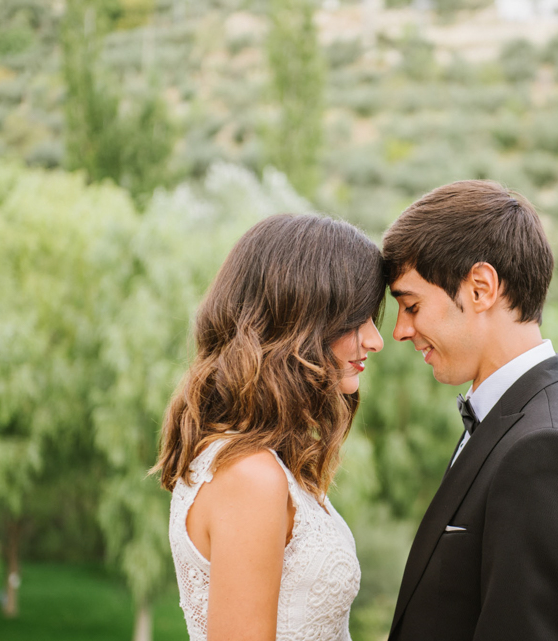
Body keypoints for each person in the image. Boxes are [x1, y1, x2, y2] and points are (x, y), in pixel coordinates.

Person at [382, 180, 558, 641]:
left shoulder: (548, 450)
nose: (400, 330)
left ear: (480, 288)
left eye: (411, 305)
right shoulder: (517, 420)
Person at [152, 214, 385, 641]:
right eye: (358, 319)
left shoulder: (261, 462)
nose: (375, 339)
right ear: (300, 321)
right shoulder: (250, 475)